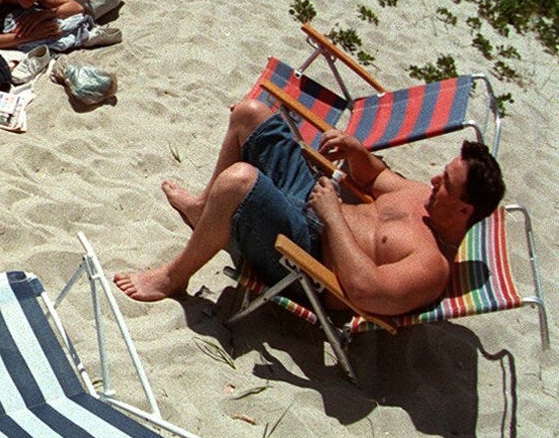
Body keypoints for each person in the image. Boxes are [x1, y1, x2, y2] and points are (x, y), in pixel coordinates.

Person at [113, 98, 505, 314]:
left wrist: (332, 217)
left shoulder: (429, 265)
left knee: (239, 182)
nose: (434, 181)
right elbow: (373, 178)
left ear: (464, 211)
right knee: (250, 114)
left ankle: (173, 278)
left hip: (308, 253)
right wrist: (357, 152)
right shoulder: (423, 198)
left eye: (446, 184)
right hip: (315, 201)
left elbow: (366, 292)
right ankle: (203, 209)